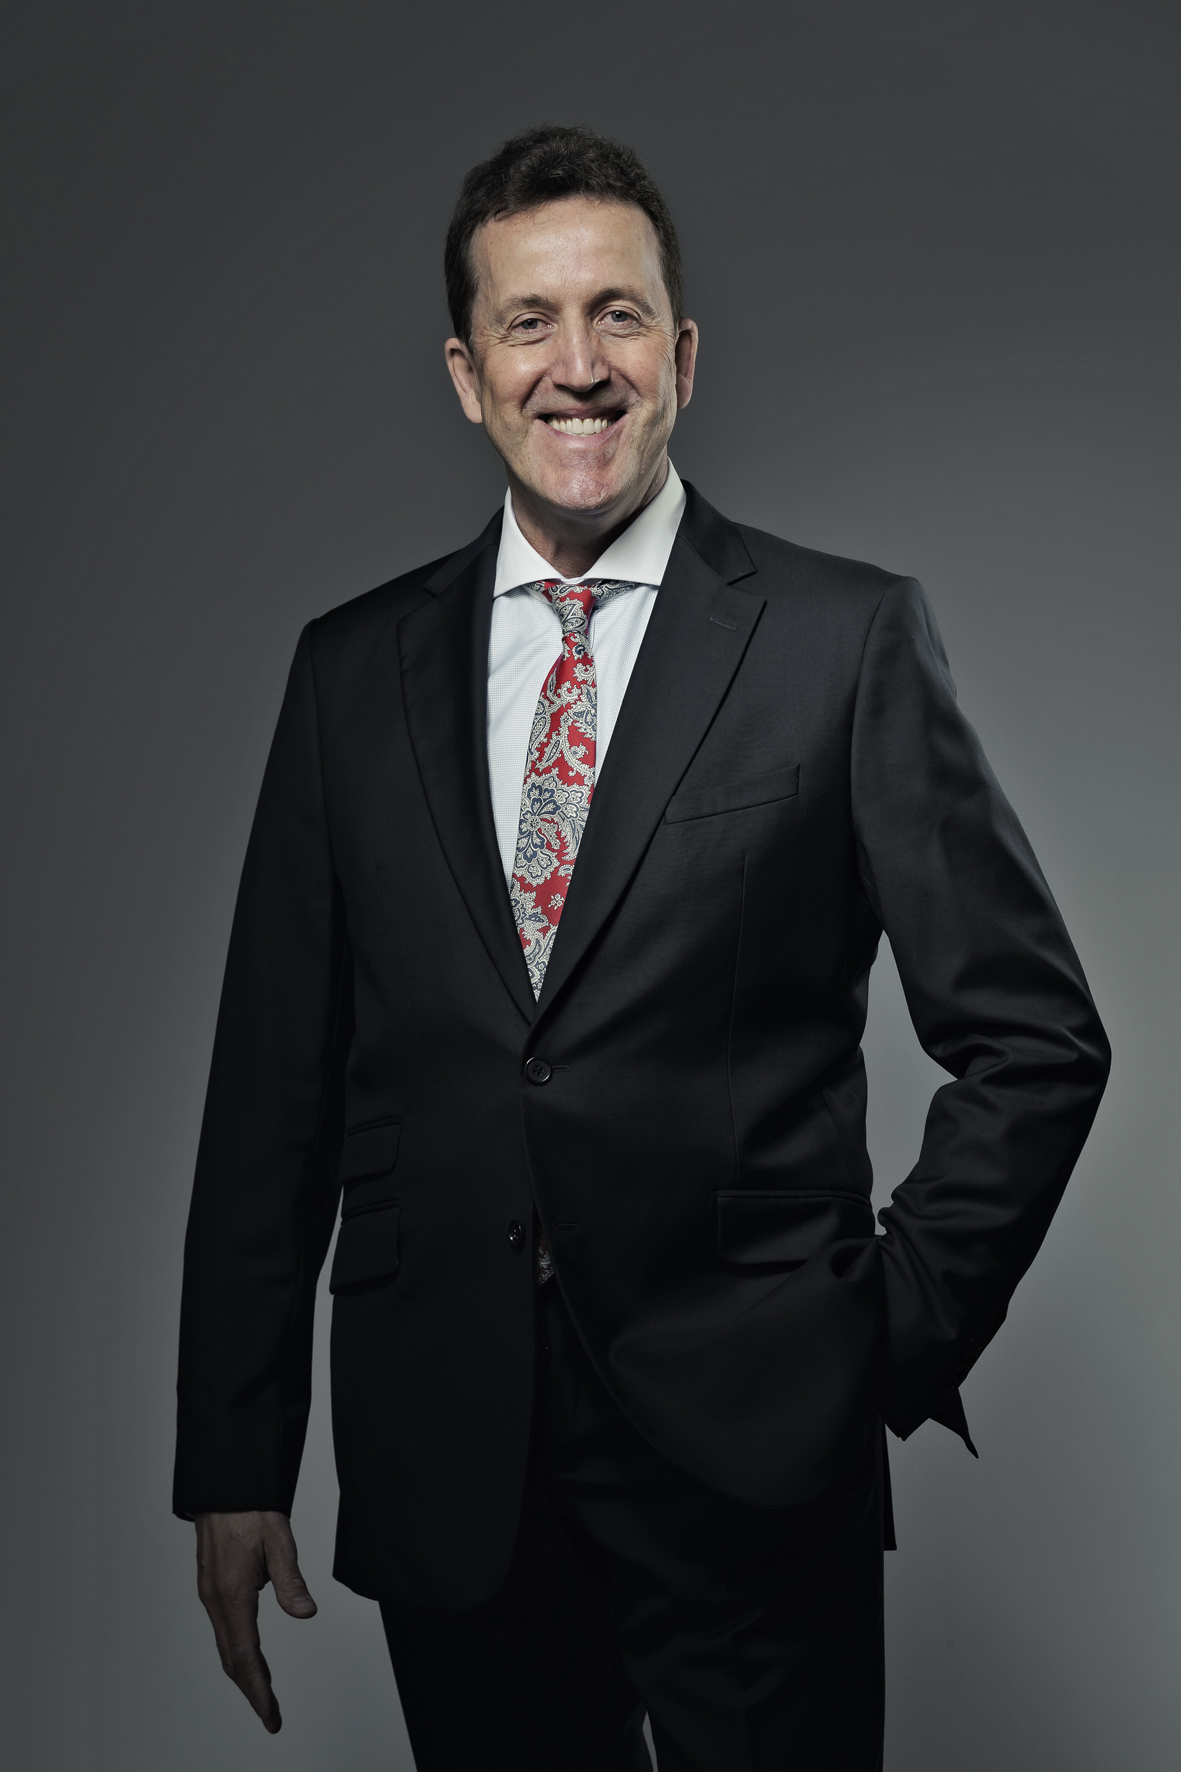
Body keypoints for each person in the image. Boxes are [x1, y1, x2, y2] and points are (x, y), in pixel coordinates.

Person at [174, 125, 1110, 1771]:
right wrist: (234, 1458)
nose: (578, 364)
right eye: (528, 323)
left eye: (616, 315)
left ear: (681, 356)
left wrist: (880, 1331)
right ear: (467, 375)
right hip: (449, 1448)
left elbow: (1033, 1039)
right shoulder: (347, 676)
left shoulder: (838, 640)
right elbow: (272, 1097)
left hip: (754, 1449)